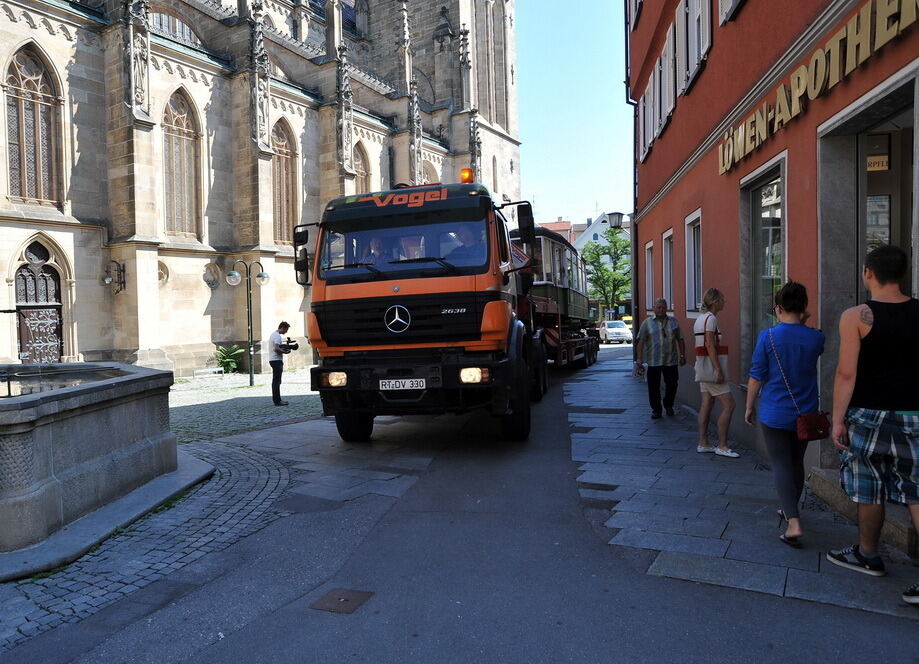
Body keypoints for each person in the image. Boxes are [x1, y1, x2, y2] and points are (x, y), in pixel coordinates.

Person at [826, 245, 919, 606]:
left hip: (870, 413)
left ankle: (868, 554)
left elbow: (846, 372)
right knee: (916, 491)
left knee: (869, 487)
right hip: (915, 414)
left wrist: (837, 420)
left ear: (868, 273)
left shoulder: (857, 316)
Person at [744, 282, 825, 547]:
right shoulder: (816, 337)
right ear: (803, 308)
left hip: (775, 412)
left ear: (778, 308)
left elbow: (756, 376)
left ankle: (793, 522)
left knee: (780, 464)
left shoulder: (767, 337)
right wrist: (803, 318)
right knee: (796, 463)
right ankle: (791, 509)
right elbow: (808, 332)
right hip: (806, 413)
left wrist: (748, 406)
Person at [694, 288, 739, 457]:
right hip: (711, 370)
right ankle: (722, 445)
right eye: (722, 299)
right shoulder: (711, 319)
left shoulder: (700, 319)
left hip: (702, 368)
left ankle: (703, 442)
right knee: (729, 404)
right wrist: (718, 369)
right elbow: (710, 344)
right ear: (715, 302)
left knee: (707, 404)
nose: (724, 302)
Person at [634, 298, 686, 419]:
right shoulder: (646, 323)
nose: (661, 310)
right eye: (658, 307)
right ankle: (656, 410)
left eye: (663, 307)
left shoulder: (673, 321)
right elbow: (640, 342)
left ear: (666, 308)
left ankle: (668, 405)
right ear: (654, 309)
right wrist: (639, 358)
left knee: (672, 385)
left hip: (671, 360)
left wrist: (682, 355)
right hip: (653, 361)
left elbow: (680, 340)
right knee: (653, 387)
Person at [269, 321, 291, 406]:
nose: (286, 332)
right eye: (286, 329)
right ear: (283, 327)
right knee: (277, 381)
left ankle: (277, 400)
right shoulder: (277, 336)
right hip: (276, 360)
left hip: (272, 360)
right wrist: (285, 352)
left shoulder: (273, 334)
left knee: (276, 381)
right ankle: (278, 401)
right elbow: (276, 349)